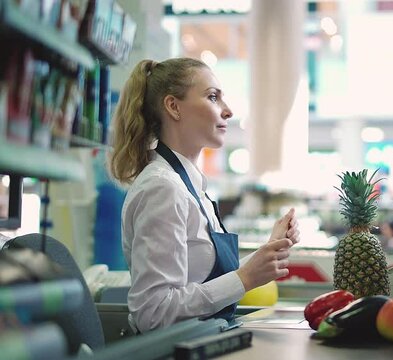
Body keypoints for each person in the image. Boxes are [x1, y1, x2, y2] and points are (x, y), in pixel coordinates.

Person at [108, 58, 300, 333]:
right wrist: (244, 278)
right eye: (213, 97)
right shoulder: (162, 188)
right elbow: (153, 313)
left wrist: (265, 255)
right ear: (173, 106)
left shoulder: (189, 186)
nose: (228, 111)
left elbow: (199, 279)